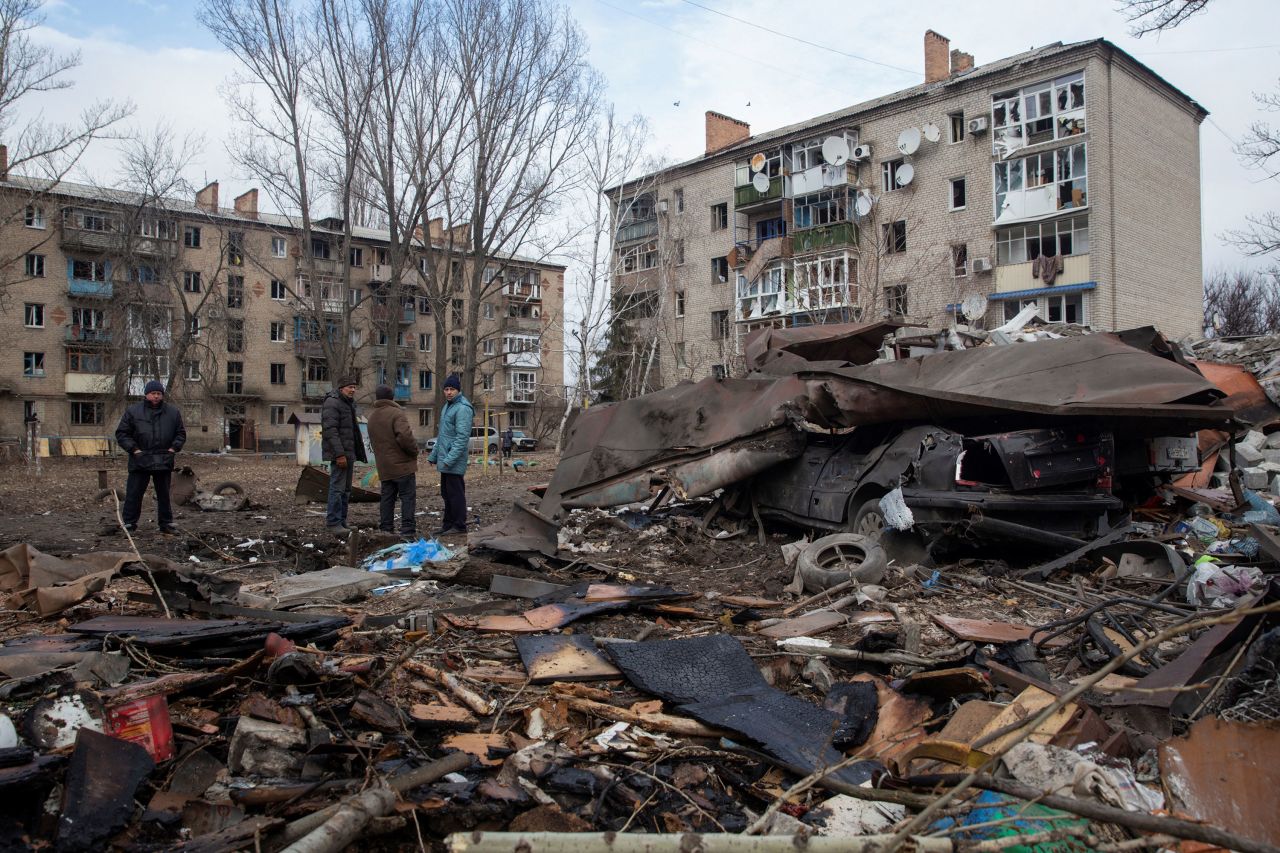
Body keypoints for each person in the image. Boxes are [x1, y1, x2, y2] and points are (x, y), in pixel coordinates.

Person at [113, 379, 186, 534]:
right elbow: (122, 434)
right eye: (153, 393)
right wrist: (134, 450)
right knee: (134, 494)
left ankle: (166, 524)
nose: (156, 396)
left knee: (164, 495)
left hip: (164, 459)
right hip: (140, 460)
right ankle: (129, 524)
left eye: (159, 393)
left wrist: (173, 449)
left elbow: (180, 433)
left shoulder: (173, 412)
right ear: (146, 394)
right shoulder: (133, 411)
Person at [367, 384, 419, 537]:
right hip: (402, 466)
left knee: (387, 499)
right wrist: (414, 452)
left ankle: (386, 530)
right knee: (407, 498)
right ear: (392, 397)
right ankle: (408, 531)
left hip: (384, 467)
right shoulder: (397, 414)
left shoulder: (372, 417)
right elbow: (405, 437)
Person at [426, 374, 473, 536]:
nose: (449, 392)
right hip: (445, 460)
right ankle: (448, 524)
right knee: (446, 494)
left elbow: (462, 438)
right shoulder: (448, 406)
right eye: (446, 389)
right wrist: (434, 455)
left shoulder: (463, 408)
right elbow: (443, 436)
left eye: (452, 389)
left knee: (455, 494)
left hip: (453, 460)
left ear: (458, 390)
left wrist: (449, 459)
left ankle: (459, 525)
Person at [321, 376, 368, 537]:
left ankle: (342, 521)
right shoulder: (332, 403)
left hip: (348, 453)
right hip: (340, 454)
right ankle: (333, 522)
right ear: (342, 388)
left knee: (346, 490)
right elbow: (331, 431)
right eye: (350, 387)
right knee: (337, 488)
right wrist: (339, 454)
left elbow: (351, 431)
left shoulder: (347, 404)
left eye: (354, 387)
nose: (353, 390)